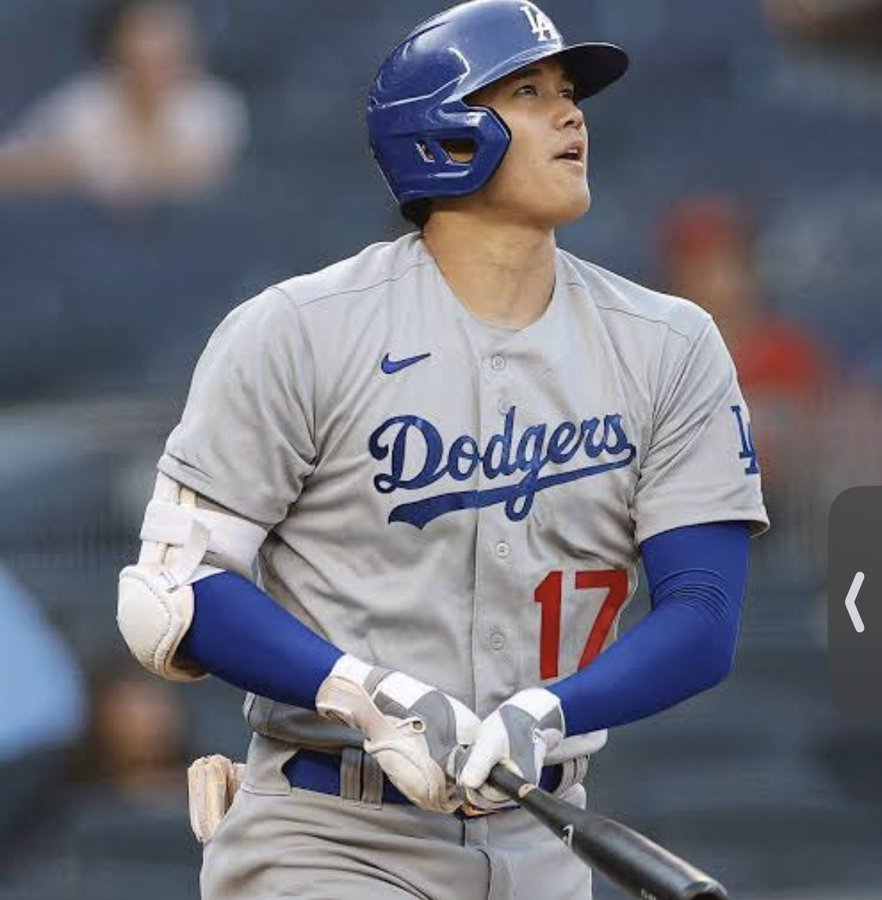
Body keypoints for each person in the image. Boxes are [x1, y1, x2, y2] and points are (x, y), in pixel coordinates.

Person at [116, 2, 768, 898]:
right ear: (443, 134)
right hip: (329, 832)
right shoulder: (299, 328)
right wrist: (368, 697)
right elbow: (169, 595)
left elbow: (703, 614)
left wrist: (549, 712)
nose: (571, 115)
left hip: (544, 834)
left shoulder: (670, 344)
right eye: (528, 92)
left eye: (569, 93)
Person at [0, 0, 247, 204]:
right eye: (146, 35)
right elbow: (13, 164)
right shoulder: (87, 99)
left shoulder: (212, 104)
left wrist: (92, 164)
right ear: (117, 47)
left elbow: (199, 172)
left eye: (169, 39)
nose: (156, 51)